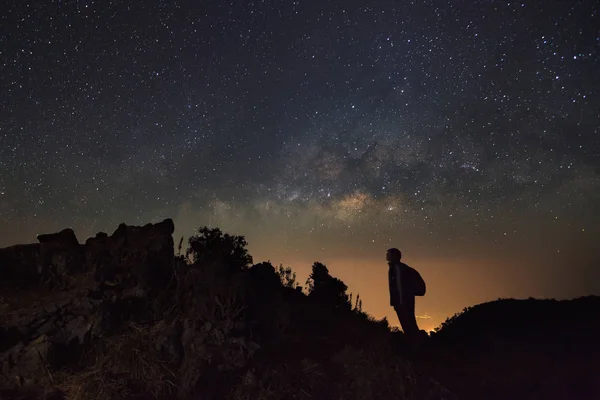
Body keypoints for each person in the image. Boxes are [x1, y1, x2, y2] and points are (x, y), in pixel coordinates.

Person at [387, 248, 425, 341]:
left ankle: (416, 344)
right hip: (402, 301)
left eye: (389, 254)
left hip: (403, 302)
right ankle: (415, 343)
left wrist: (399, 302)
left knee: (408, 324)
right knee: (408, 324)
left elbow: (400, 287)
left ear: (395, 256)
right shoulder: (396, 268)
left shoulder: (398, 269)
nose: (387, 256)